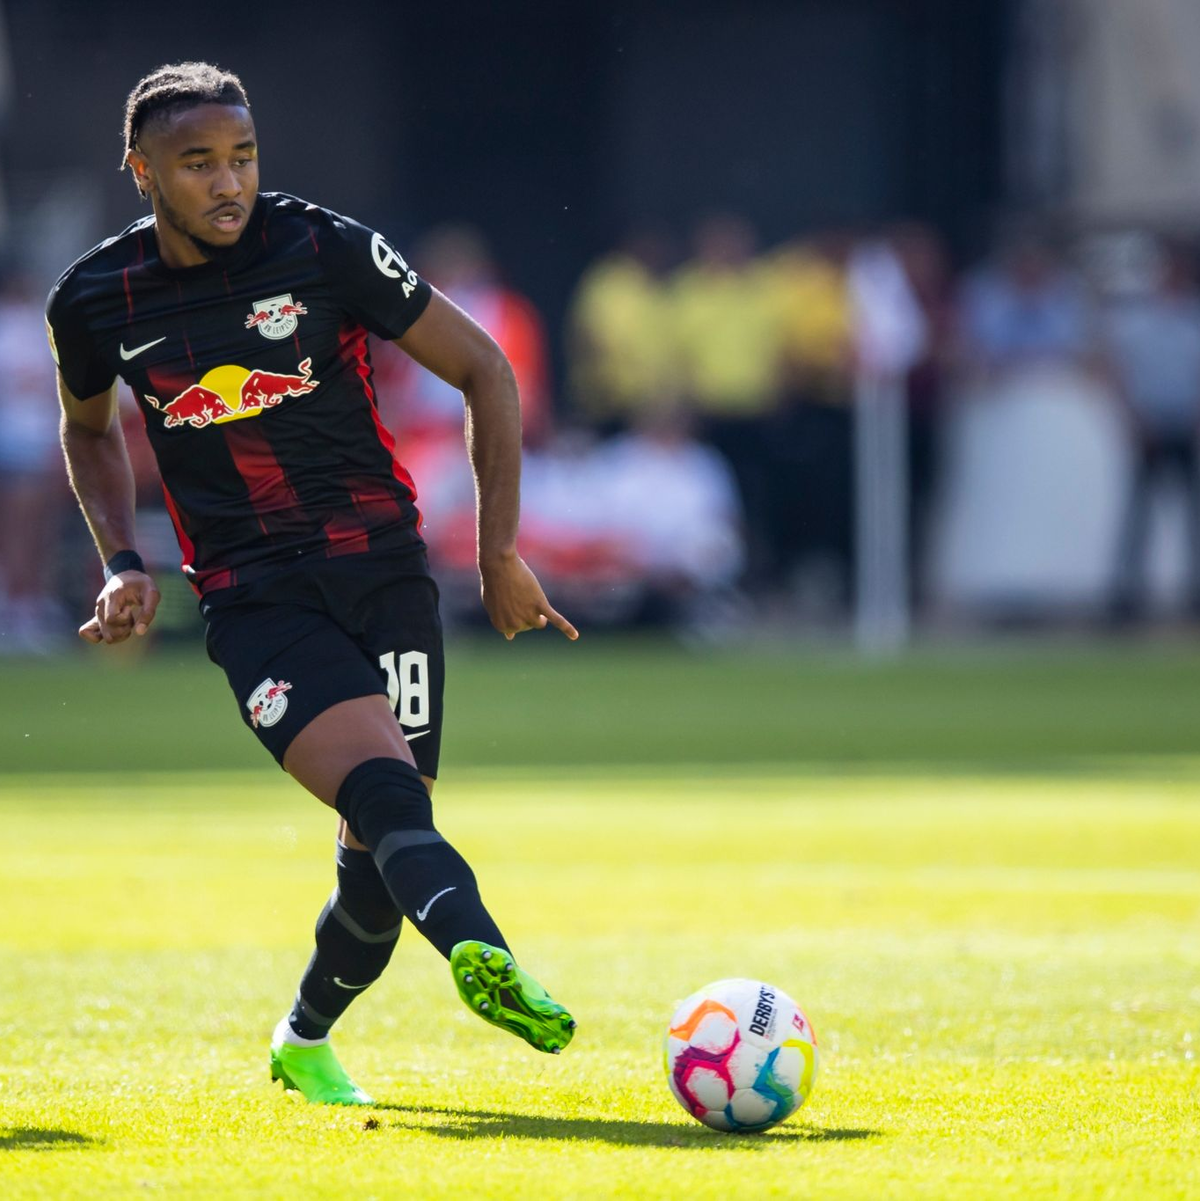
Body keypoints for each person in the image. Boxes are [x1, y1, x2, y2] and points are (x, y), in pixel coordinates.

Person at [47, 62, 578, 1107]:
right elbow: (87, 426)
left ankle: (302, 1036)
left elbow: (487, 370)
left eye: (241, 157)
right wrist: (120, 558)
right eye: (197, 163)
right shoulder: (94, 299)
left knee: (382, 862)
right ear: (140, 170)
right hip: (255, 596)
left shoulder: (322, 247)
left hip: (383, 573)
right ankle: (487, 954)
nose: (227, 182)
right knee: (382, 792)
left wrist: (500, 551)